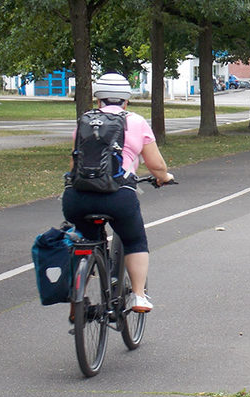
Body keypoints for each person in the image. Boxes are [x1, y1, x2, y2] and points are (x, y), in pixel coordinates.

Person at [62, 72, 174, 313]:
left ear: (98, 99)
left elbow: (74, 166)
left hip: (77, 198)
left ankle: (76, 302)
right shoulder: (136, 122)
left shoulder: (84, 121)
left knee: (84, 240)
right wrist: (164, 177)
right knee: (134, 240)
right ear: (126, 100)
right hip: (117, 197)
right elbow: (156, 166)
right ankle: (138, 296)